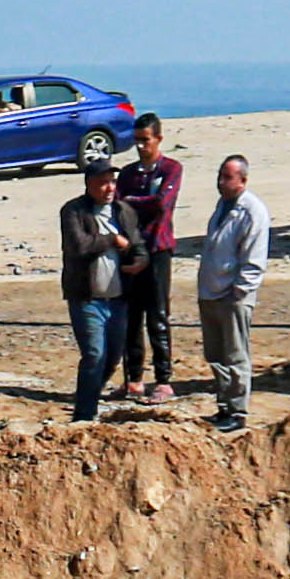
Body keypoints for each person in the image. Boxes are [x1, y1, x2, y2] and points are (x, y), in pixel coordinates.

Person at [56, 141, 144, 423]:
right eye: (103, 183)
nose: (109, 188)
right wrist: (111, 240)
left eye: (111, 182)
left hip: (118, 300)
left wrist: (141, 259)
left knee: (111, 357)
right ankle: (84, 414)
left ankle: (91, 394)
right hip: (87, 298)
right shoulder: (73, 211)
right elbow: (78, 246)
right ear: (89, 184)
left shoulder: (124, 212)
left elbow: (138, 244)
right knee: (94, 354)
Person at [192, 153, 271, 434]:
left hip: (232, 296)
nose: (221, 182)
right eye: (220, 176)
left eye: (227, 177)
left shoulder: (252, 211)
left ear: (243, 180)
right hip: (211, 292)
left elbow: (253, 259)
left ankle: (238, 411)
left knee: (236, 354)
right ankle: (224, 405)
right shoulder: (223, 206)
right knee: (215, 354)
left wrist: (238, 292)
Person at [119, 113, 186, 407]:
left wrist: (134, 203)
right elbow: (118, 206)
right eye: (137, 141)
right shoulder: (129, 173)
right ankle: (133, 378)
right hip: (133, 249)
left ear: (158, 138)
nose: (141, 147)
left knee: (157, 315)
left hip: (158, 249)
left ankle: (163, 379)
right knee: (131, 317)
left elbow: (161, 204)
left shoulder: (171, 169)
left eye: (146, 141)